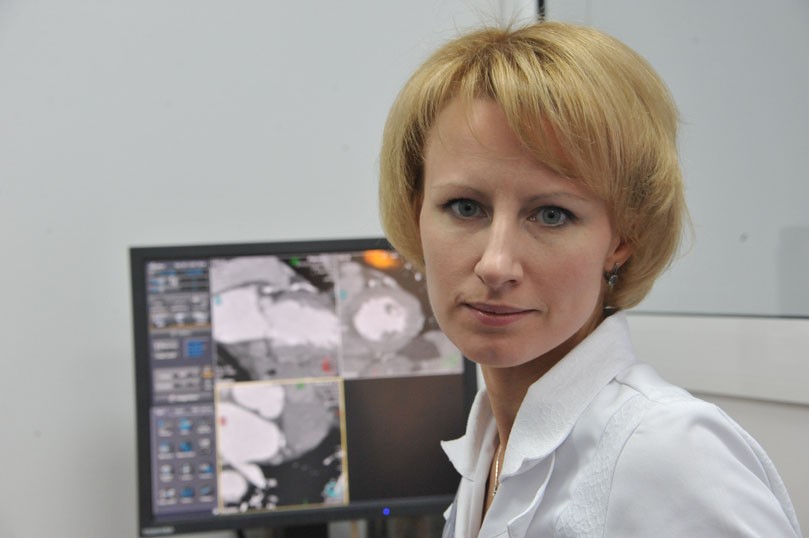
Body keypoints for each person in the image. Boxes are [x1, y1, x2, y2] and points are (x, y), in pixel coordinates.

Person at [378, 20, 803, 538]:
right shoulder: (495, 441)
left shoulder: (667, 453)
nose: (496, 264)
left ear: (623, 237)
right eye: (465, 207)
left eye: (551, 215)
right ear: (416, 211)